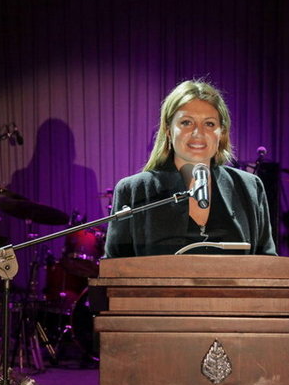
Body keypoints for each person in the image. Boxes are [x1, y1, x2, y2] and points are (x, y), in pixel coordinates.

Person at [104, 79, 277, 258]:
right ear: (168, 130)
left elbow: (268, 263)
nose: (198, 133)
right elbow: (115, 268)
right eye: (186, 122)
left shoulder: (250, 187)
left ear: (222, 132)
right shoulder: (134, 190)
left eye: (209, 124)